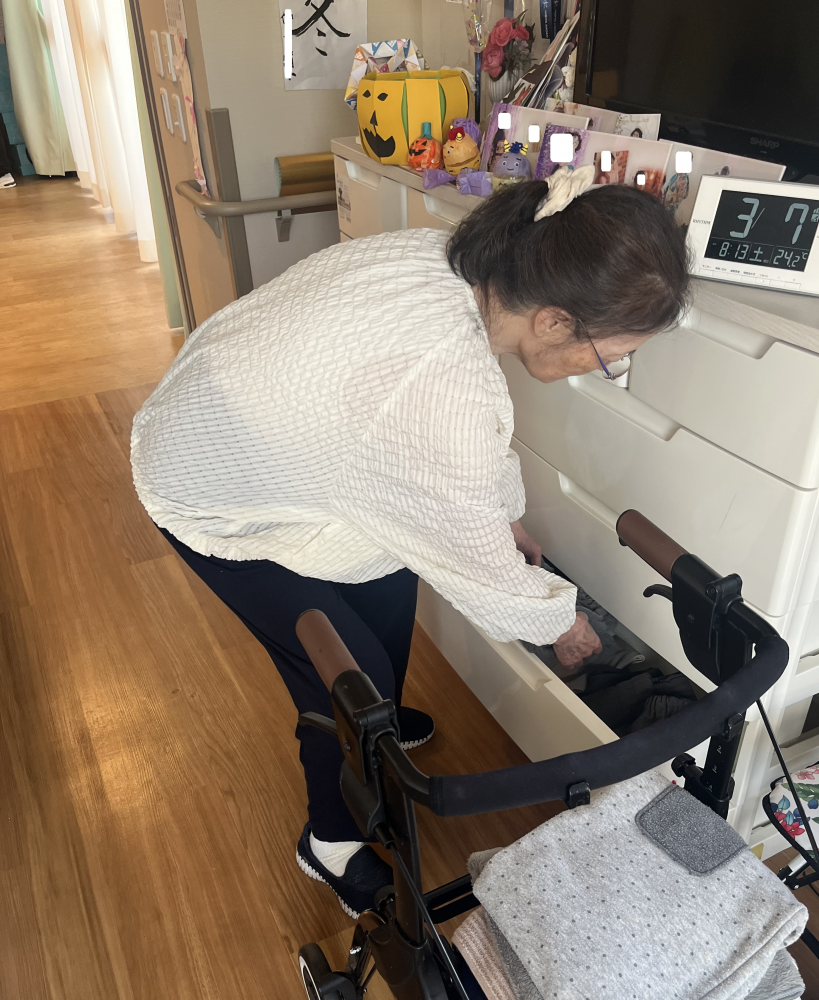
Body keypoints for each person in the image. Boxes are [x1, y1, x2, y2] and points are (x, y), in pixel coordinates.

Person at [131, 166, 690, 917]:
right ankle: (330, 842)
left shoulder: (454, 263)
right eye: (610, 355)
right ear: (555, 321)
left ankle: (381, 735)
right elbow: (465, 516)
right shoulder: (436, 383)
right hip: (212, 481)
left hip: (274, 436)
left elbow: (455, 451)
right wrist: (560, 620)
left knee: (391, 592)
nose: (607, 369)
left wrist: (503, 513)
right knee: (346, 674)